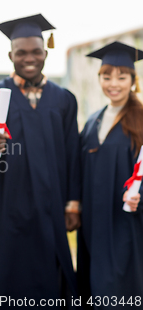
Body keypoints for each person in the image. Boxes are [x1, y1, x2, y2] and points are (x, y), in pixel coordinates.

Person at [0, 14, 81, 308]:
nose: (29, 58)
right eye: (21, 53)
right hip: (6, 207)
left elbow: (71, 153)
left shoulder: (63, 98)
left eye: (36, 52)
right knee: (7, 273)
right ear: (10, 55)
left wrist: (72, 203)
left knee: (48, 274)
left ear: (45, 52)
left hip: (49, 205)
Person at [77, 41, 143, 306]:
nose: (113, 83)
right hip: (93, 222)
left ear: (133, 80)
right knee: (93, 286)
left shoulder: (141, 119)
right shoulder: (94, 119)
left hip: (126, 223)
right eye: (106, 76)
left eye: (121, 77)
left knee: (119, 287)